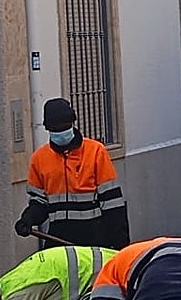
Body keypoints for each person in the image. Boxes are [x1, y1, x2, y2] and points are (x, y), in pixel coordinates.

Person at [15, 97, 130, 249]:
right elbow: (39, 202)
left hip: (94, 239)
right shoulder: (39, 158)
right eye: (56, 129)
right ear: (48, 129)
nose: (61, 132)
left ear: (72, 124)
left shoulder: (95, 152)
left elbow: (112, 202)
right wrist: (28, 218)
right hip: (58, 238)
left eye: (64, 127)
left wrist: (120, 243)